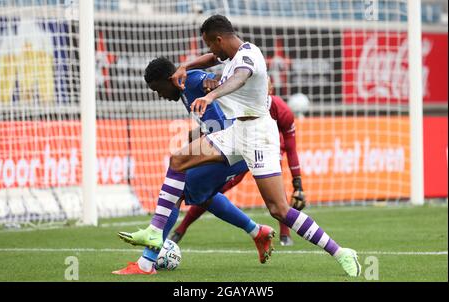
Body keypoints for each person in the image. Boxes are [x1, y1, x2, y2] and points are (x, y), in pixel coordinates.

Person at [119, 15, 361, 277]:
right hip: (236, 131)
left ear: (219, 39)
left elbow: (239, 79)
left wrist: (211, 93)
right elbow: (212, 60)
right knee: (178, 160)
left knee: (279, 209)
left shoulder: (249, 56)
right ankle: (155, 234)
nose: (211, 51)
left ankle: (341, 252)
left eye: (210, 45)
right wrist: (184, 67)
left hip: (258, 134)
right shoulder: (229, 55)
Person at [112, 57, 275, 275]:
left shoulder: (193, 80)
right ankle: (257, 231)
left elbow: (216, 80)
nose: (159, 95)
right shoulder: (185, 91)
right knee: (202, 195)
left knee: (177, 190)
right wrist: (197, 135)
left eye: (158, 89)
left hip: (233, 146)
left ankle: (146, 263)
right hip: (233, 147)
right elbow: (217, 117)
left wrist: (214, 80)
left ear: (169, 79)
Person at [170, 76, 307, 246]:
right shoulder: (239, 104)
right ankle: (181, 229)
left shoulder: (282, 110)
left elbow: (291, 148)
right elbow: (219, 126)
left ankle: (285, 235)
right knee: (211, 191)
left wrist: (297, 184)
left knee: (276, 196)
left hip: (268, 150)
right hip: (240, 150)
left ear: (269, 91)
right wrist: (197, 138)